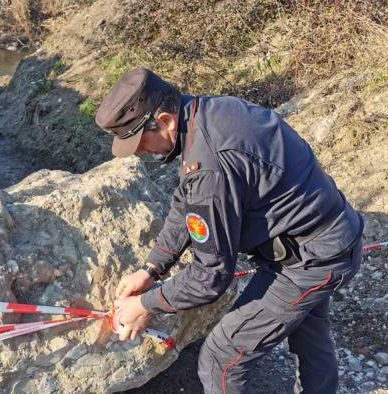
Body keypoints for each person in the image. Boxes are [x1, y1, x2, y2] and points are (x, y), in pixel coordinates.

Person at [95, 68, 363, 393]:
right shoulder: (206, 115)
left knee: (221, 356)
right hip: (328, 235)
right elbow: (187, 200)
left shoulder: (210, 165)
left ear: (164, 120)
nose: (139, 151)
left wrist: (145, 306)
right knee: (310, 332)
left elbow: (210, 278)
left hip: (310, 261)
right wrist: (152, 268)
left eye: (138, 141)